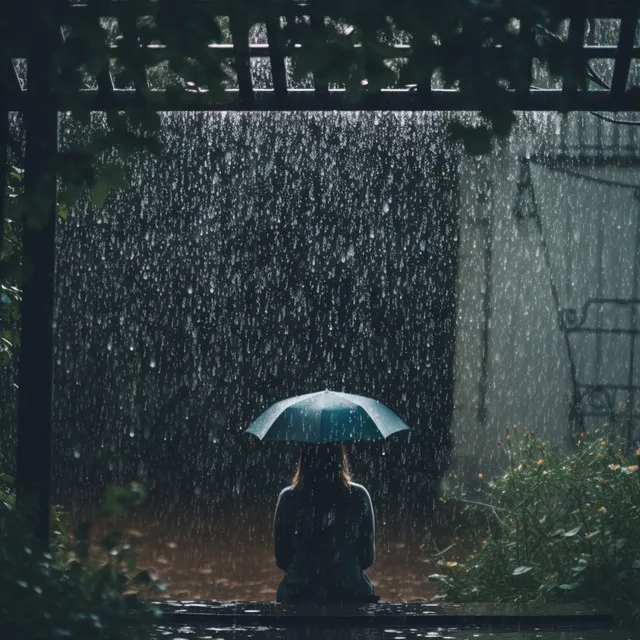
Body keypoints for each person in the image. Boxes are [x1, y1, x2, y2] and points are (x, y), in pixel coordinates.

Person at [273, 442, 379, 604]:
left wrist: (308, 571)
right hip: (350, 593)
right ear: (340, 458)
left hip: (299, 594)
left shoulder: (289, 498)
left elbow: (282, 558)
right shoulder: (358, 496)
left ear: (304, 459)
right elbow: (367, 558)